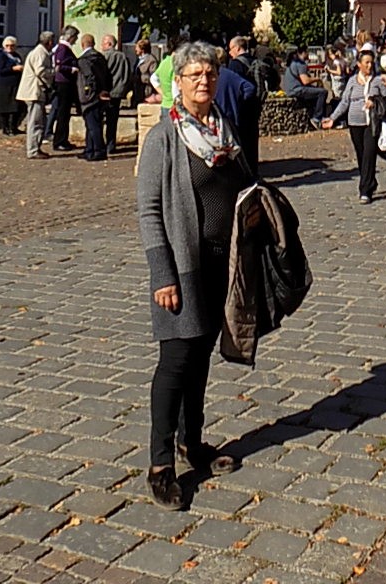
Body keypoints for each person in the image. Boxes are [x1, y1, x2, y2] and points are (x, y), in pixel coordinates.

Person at [137, 41, 249, 509]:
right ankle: (161, 464)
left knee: (201, 356)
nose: (204, 81)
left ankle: (192, 441)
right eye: (194, 74)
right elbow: (148, 210)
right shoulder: (166, 137)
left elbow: (244, 183)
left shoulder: (223, 130)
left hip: (218, 264)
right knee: (176, 361)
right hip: (181, 266)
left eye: (210, 73)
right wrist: (162, 273)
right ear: (177, 82)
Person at [323, 48, 386, 204]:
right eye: (366, 62)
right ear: (359, 64)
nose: (369, 65)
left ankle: (365, 190)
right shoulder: (352, 81)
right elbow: (345, 101)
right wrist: (333, 118)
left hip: (371, 123)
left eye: (371, 62)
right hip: (355, 123)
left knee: (369, 154)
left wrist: (376, 101)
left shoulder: (377, 81)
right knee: (361, 156)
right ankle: (370, 181)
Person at [215, 51, 261, 173]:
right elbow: (250, 88)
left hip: (216, 117)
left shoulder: (213, 76)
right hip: (232, 116)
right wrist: (238, 98)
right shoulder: (230, 74)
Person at [16, 31, 55, 159]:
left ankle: (35, 147)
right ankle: (33, 150)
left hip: (35, 91)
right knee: (35, 121)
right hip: (34, 91)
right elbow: (40, 71)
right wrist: (55, 71)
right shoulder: (40, 52)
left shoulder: (39, 51)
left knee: (39, 120)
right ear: (49, 42)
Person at [76, 33, 113, 162]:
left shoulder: (83, 60)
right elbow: (108, 76)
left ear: (82, 45)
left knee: (93, 125)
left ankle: (98, 150)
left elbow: (89, 78)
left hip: (90, 97)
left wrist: (89, 93)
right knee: (92, 124)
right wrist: (104, 90)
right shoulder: (100, 57)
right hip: (101, 95)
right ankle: (89, 149)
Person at [100, 34, 134, 154]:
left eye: (103, 43)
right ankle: (111, 145)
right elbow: (127, 75)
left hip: (106, 93)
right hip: (118, 93)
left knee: (100, 120)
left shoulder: (105, 57)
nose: (101, 46)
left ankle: (101, 144)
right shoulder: (123, 57)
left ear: (109, 44)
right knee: (113, 120)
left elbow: (103, 75)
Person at [48, 27, 80, 151]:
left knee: (65, 114)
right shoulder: (62, 49)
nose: (76, 40)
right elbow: (59, 65)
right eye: (75, 37)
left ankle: (63, 139)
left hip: (66, 84)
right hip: (63, 84)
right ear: (70, 37)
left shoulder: (66, 48)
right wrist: (72, 69)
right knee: (62, 113)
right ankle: (59, 141)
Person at [281, 49, 328, 127]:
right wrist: (318, 79)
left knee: (315, 91)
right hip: (296, 90)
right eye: (307, 52)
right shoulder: (300, 64)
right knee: (322, 92)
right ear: (303, 53)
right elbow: (305, 81)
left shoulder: (292, 63)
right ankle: (317, 118)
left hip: (290, 89)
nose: (308, 54)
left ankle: (312, 114)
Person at [0, 36, 24, 134]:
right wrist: (13, 69)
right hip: (5, 85)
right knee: (6, 107)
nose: (9, 48)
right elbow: (1, 71)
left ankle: (14, 127)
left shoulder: (17, 56)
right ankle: (6, 128)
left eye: (12, 46)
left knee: (17, 107)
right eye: (7, 46)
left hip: (16, 84)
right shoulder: (2, 56)